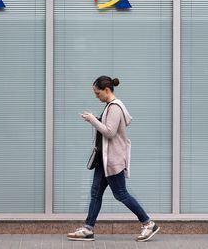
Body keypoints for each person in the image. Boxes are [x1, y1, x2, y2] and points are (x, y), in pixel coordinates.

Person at [67, 76, 160, 242]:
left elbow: (109, 132)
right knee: (96, 193)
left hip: (112, 160)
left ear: (107, 90)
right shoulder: (109, 107)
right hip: (104, 160)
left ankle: (148, 223)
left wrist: (92, 120)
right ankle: (88, 228)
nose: (97, 96)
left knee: (121, 194)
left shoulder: (115, 107)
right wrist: (95, 119)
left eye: (97, 93)